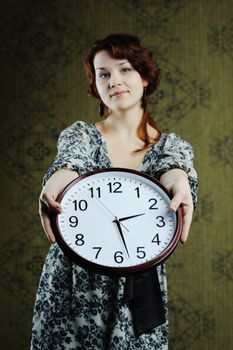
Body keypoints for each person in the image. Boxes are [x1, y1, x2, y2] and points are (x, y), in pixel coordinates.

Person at [31, 33, 198, 349]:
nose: (113, 81)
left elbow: (175, 168)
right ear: (95, 85)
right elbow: (69, 163)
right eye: (103, 74)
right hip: (74, 281)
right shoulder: (80, 135)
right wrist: (55, 182)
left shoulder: (171, 146)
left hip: (139, 287)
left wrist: (179, 181)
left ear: (145, 76)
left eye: (124, 70)